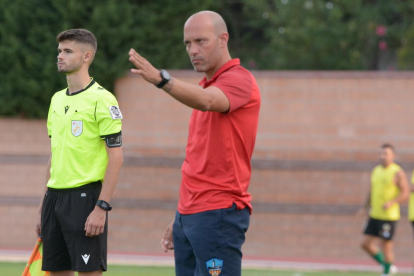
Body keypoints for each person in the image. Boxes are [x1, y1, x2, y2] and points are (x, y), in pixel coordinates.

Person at [128, 10, 260, 276]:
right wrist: (180, 216)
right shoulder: (205, 85)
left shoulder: (238, 79)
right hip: (191, 215)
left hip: (219, 213)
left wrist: (161, 79)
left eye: (201, 41)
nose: (193, 50)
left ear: (223, 39)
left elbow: (208, 100)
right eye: (188, 43)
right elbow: (199, 161)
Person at [35, 29, 123, 276]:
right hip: (54, 199)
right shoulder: (56, 99)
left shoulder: (103, 99)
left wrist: (101, 207)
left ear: (87, 56)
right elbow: (54, 154)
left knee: (88, 272)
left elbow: (116, 157)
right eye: (59, 51)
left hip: (85, 199)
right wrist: (44, 205)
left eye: (67, 51)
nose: (60, 56)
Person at [358, 144, 409, 276]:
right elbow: (372, 191)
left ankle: (386, 273)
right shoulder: (376, 171)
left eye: (386, 154)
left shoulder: (397, 172)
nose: (382, 156)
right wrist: (364, 207)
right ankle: (388, 266)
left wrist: (392, 202)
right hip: (375, 215)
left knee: (386, 246)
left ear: (393, 156)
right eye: (381, 153)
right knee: (366, 244)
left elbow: (405, 193)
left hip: (389, 216)